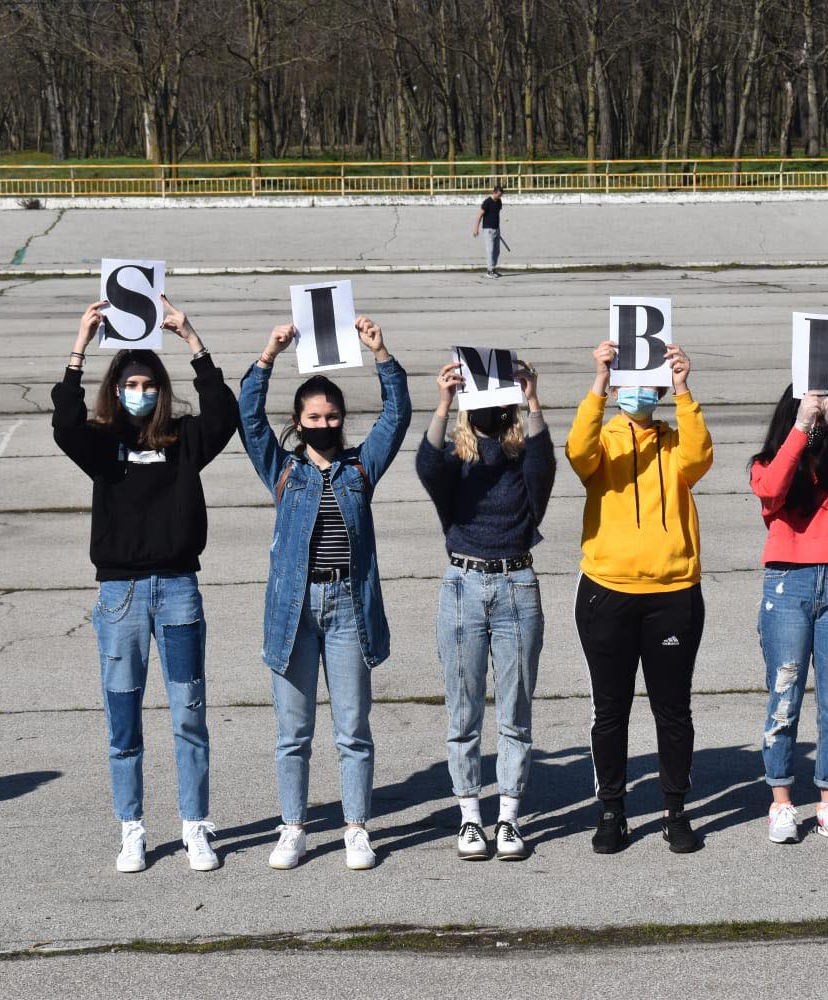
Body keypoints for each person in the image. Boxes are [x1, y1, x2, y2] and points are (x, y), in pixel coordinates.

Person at [51, 296, 238, 874]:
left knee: (189, 714)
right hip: (121, 596)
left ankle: (195, 826)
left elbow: (223, 414)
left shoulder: (183, 440)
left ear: (161, 389)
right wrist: (79, 347)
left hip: (178, 590)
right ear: (117, 389)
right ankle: (131, 828)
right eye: (131, 384)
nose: (140, 391)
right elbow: (64, 425)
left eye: (149, 384)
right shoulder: (102, 443)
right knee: (124, 718)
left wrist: (192, 339)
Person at [237, 317, 412, 872]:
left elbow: (396, 416)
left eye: (332, 416)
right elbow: (248, 418)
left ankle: (356, 827)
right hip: (294, 611)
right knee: (293, 732)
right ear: (299, 422)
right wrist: (268, 354)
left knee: (352, 729)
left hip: (348, 609)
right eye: (313, 417)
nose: (324, 424)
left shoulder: (360, 467)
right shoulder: (283, 470)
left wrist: (381, 353)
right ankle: (293, 828)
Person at [566, 340, 713, 855]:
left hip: (673, 593)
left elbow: (700, 459)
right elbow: (577, 454)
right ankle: (612, 810)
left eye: (650, 384)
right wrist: (599, 380)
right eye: (631, 383)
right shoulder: (604, 439)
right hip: (607, 592)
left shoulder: (675, 441)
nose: (640, 392)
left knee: (673, 710)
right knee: (610, 711)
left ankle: (675, 809)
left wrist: (683, 387)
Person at [416, 358, 556, 861]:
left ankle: (509, 818)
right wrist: (443, 403)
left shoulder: (521, 458)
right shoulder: (457, 460)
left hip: (517, 583)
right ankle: (470, 817)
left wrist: (532, 399)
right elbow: (427, 468)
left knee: (515, 710)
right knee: (464, 711)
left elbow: (544, 466)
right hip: (463, 585)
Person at [749, 387, 828, 845]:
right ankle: (781, 802)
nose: (818, 421)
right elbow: (771, 490)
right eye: (811, 413)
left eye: (823, 414)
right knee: (784, 696)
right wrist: (801, 429)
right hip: (787, 583)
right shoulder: (767, 461)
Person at [471, 184, 505, 278]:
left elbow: (495, 214)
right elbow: (479, 215)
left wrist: (497, 229)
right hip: (488, 230)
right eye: (499, 195)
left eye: (501, 195)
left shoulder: (499, 202)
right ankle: (489, 271)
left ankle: (493, 268)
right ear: (494, 192)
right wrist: (476, 228)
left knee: (496, 251)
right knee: (490, 250)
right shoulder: (487, 202)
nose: (500, 197)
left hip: (496, 229)